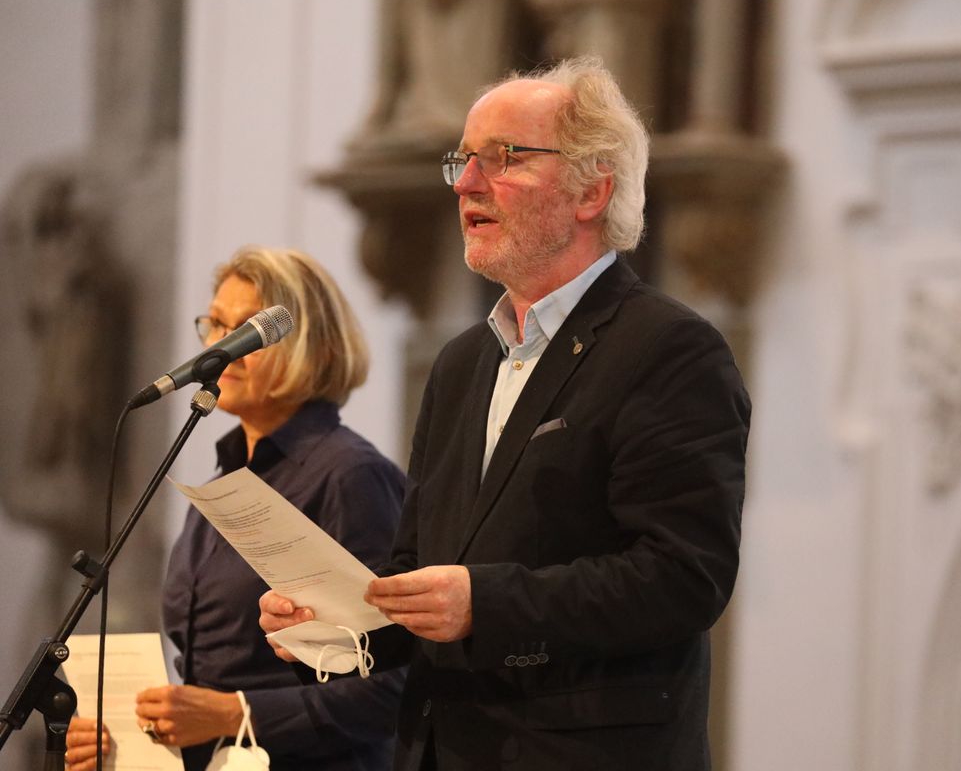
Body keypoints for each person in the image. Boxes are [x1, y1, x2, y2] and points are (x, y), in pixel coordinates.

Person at [261, 56, 751, 770]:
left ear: (593, 191)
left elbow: (682, 578)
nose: (465, 184)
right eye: (463, 160)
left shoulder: (669, 350)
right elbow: (419, 570)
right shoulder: (463, 364)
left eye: (505, 159)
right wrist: (339, 628)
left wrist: (486, 605)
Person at [66, 247, 407, 771]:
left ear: (308, 345)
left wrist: (237, 713)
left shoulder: (349, 475)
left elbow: (393, 685)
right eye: (216, 325)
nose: (219, 348)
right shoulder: (223, 483)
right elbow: (206, 680)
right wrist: (134, 737)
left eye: (246, 331)